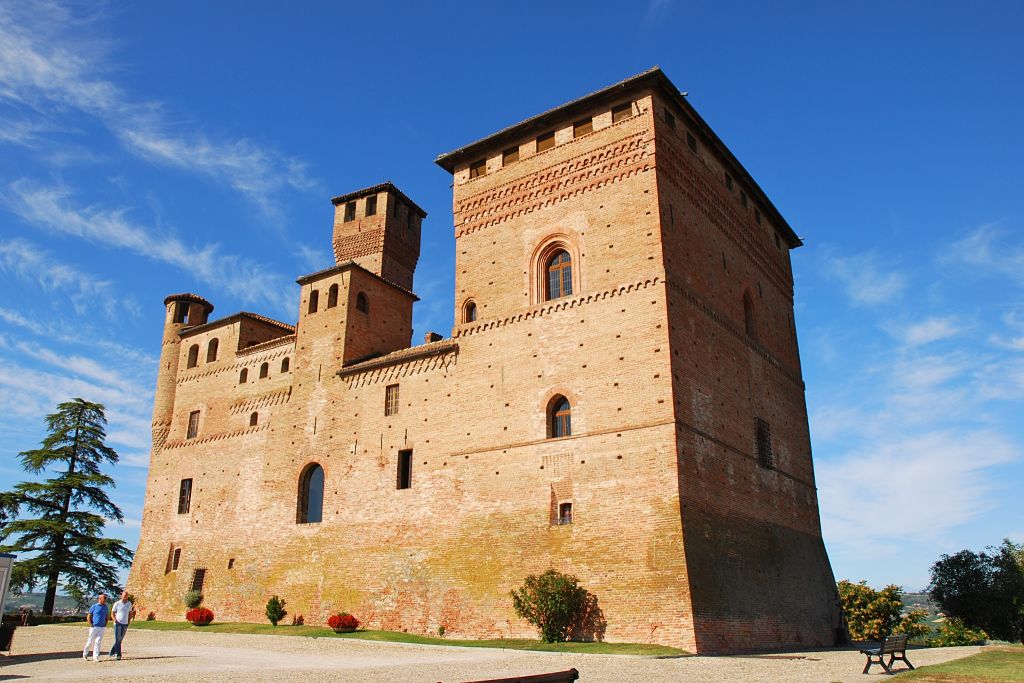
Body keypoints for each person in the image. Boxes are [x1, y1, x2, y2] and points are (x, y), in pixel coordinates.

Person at [82, 593, 108, 662]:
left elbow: (106, 616)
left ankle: (95, 657)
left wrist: (105, 624)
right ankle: (85, 654)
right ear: (100, 599)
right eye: (104, 598)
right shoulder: (94, 606)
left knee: (98, 642)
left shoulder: (105, 607)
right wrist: (91, 624)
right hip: (94, 627)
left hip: (102, 627)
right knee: (90, 641)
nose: (105, 599)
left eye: (105, 598)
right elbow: (89, 616)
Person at [108, 591, 133, 660]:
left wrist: (128, 621)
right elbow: (112, 613)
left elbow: (130, 613)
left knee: (119, 640)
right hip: (117, 624)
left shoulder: (129, 603)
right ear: (121, 596)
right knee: (118, 639)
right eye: (124, 596)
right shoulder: (117, 603)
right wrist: (115, 620)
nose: (125, 598)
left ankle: (112, 652)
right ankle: (118, 655)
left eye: (126, 596)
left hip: (125, 624)